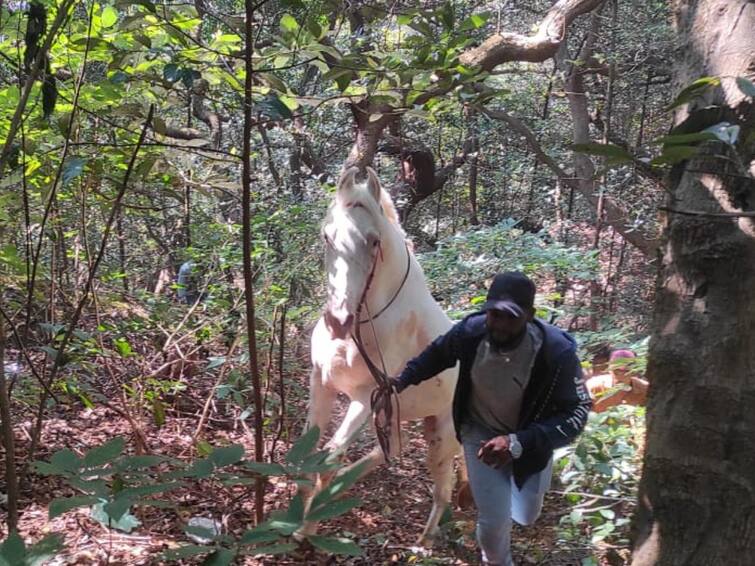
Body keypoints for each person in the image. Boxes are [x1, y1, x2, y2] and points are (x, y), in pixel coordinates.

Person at [392, 272, 592, 566]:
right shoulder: (471, 332)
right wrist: (400, 381)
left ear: (529, 315)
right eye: (493, 314)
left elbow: (577, 410)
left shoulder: (555, 352)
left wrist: (518, 443)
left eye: (510, 317)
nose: (499, 324)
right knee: (495, 520)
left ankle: (495, 487)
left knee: (525, 515)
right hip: (480, 432)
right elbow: (436, 355)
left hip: (529, 440)